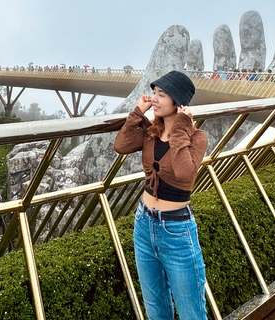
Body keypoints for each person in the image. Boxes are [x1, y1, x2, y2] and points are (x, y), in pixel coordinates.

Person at [114, 70, 208, 320]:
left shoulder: (197, 138)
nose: (154, 99)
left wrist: (181, 127)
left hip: (177, 230)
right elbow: (121, 145)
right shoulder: (150, 132)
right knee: (156, 309)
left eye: (161, 95)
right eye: (154, 93)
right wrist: (138, 111)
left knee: (192, 313)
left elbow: (185, 172)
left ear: (178, 102)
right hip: (144, 225)